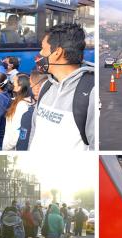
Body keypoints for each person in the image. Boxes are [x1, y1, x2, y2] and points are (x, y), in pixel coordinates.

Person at [29, 23, 95, 151]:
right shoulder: (46, 86)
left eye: (43, 49)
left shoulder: (90, 92)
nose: (39, 54)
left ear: (57, 53)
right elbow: (34, 133)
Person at [3, 74, 35, 151]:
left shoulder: (22, 106)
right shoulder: (24, 101)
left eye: (14, 82)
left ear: (19, 87)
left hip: (11, 148)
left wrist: (7, 147)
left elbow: (18, 131)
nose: (12, 84)